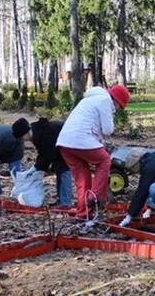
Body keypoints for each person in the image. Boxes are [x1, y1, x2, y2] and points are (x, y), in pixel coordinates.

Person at [56, 84, 131, 220]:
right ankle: (94, 198)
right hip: (80, 139)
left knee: (83, 178)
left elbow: (91, 125)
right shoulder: (105, 101)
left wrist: (100, 143)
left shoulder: (89, 99)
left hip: (65, 142)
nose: (118, 110)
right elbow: (108, 129)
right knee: (104, 160)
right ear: (117, 101)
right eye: (120, 106)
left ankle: (83, 212)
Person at [13, 117, 72, 207]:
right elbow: (43, 152)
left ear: (26, 133)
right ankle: (63, 200)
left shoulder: (44, 132)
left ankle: (65, 202)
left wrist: (38, 168)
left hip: (68, 143)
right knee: (59, 169)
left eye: (22, 137)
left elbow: (48, 154)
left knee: (63, 171)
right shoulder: (36, 131)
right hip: (59, 147)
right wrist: (37, 167)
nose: (23, 140)